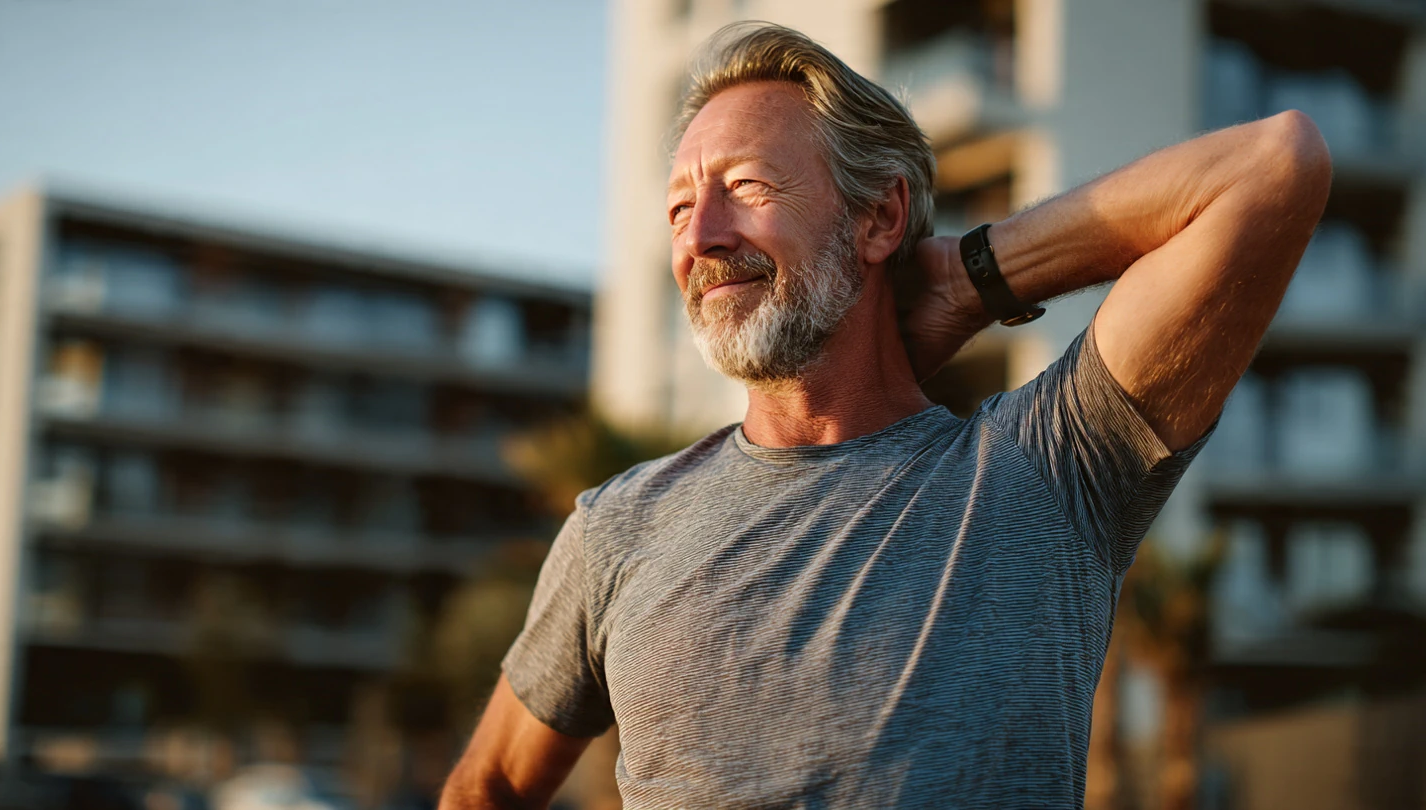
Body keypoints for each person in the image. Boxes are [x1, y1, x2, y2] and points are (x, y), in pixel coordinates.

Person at [439, 21, 1331, 810]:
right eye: (679, 207)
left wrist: (973, 278)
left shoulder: (1049, 470)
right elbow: (489, 787)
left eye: (745, 186)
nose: (700, 236)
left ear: (880, 216)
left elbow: (1272, 167)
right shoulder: (617, 528)